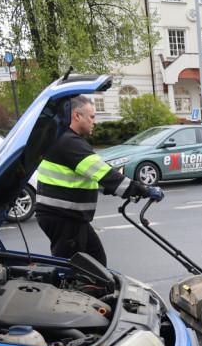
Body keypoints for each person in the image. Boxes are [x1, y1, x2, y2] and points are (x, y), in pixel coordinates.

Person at [36, 95, 159, 266]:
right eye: (92, 117)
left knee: (96, 261)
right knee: (73, 267)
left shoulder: (63, 138)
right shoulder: (69, 143)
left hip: (67, 215)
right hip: (63, 216)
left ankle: (85, 283)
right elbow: (105, 175)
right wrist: (144, 190)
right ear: (77, 115)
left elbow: (95, 177)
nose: (95, 122)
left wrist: (124, 191)